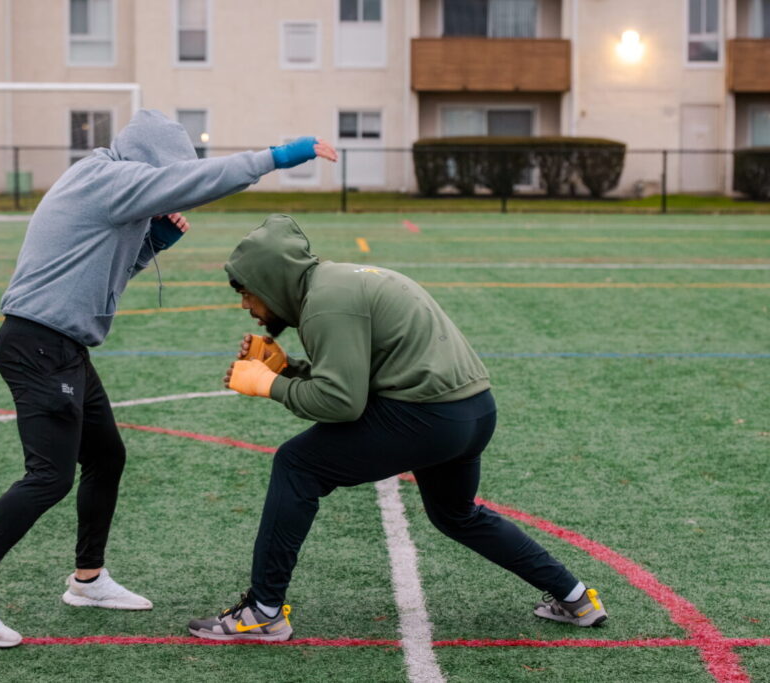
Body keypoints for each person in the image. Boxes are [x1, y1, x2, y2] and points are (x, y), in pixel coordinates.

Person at [0, 111, 338, 648]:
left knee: (106, 458)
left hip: (63, 346)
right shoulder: (108, 179)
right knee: (49, 477)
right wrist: (280, 157)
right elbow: (199, 181)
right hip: (39, 345)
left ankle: (88, 580)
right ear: (148, 163)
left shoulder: (103, 183)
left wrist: (152, 243)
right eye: (167, 176)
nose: (170, 190)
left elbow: (103, 272)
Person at [187, 214, 607, 642]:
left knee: (297, 465)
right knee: (456, 514)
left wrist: (268, 384)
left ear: (272, 281)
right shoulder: (338, 282)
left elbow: (341, 403)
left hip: (428, 416)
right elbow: (364, 375)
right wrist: (289, 368)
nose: (246, 306)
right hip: (474, 411)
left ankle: (263, 612)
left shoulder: (325, 303)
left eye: (246, 292)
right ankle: (576, 598)